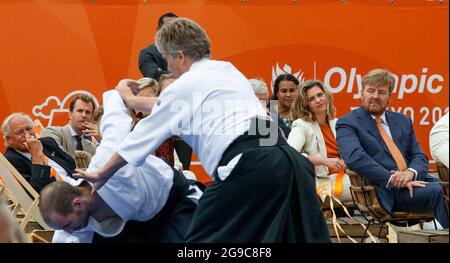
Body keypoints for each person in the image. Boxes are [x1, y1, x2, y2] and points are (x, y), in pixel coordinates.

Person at [74, 18, 329, 243]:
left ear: (180, 55)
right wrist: (128, 98)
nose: (168, 67)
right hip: (287, 161)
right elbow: (164, 106)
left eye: (168, 59)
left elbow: (139, 139)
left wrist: (102, 174)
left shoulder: (183, 86)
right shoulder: (228, 71)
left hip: (250, 165)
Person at [39, 90, 201, 243]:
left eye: (67, 225)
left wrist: (121, 91)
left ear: (77, 203)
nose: (68, 231)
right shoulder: (77, 220)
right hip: (138, 223)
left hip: (172, 201)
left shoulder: (106, 162)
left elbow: (115, 121)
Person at [335, 69, 448, 229]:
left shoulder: (402, 121)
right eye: (370, 91)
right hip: (385, 191)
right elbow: (354, 157)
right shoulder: (348, 123)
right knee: (440, 192)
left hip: (416, 182)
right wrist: (394, 179)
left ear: (390, 96)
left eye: (381, 92)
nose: (375, 96)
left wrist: (410, 173)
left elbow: (419, 156)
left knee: (444, 187)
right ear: (362, 93)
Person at [288, 80, 351, 202]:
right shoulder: (301, 125)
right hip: (322, 184)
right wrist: (324, 161)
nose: (318, 100)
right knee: (369, 190)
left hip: (346, 176)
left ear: (326, 95)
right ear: (305, 104)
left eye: (320, 95)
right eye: (311, 99)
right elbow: (290, 154)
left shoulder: (337, 123)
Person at [2, 113, 77, 192]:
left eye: (29, 129)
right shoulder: (10, 160)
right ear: (9, 139)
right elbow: (36, 190)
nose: (27, 134)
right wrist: (36, 155)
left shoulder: (47, 142)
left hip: (75, 184)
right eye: (19, 132)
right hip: (56, 197)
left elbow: (71, 164)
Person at [138, 12, 178, 80]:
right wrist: (183, 75)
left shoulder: (189, 51)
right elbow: (154, 74)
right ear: (158, 29)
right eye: (168, 26)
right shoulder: (148, 53)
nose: (173, 30)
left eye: (177, 26)